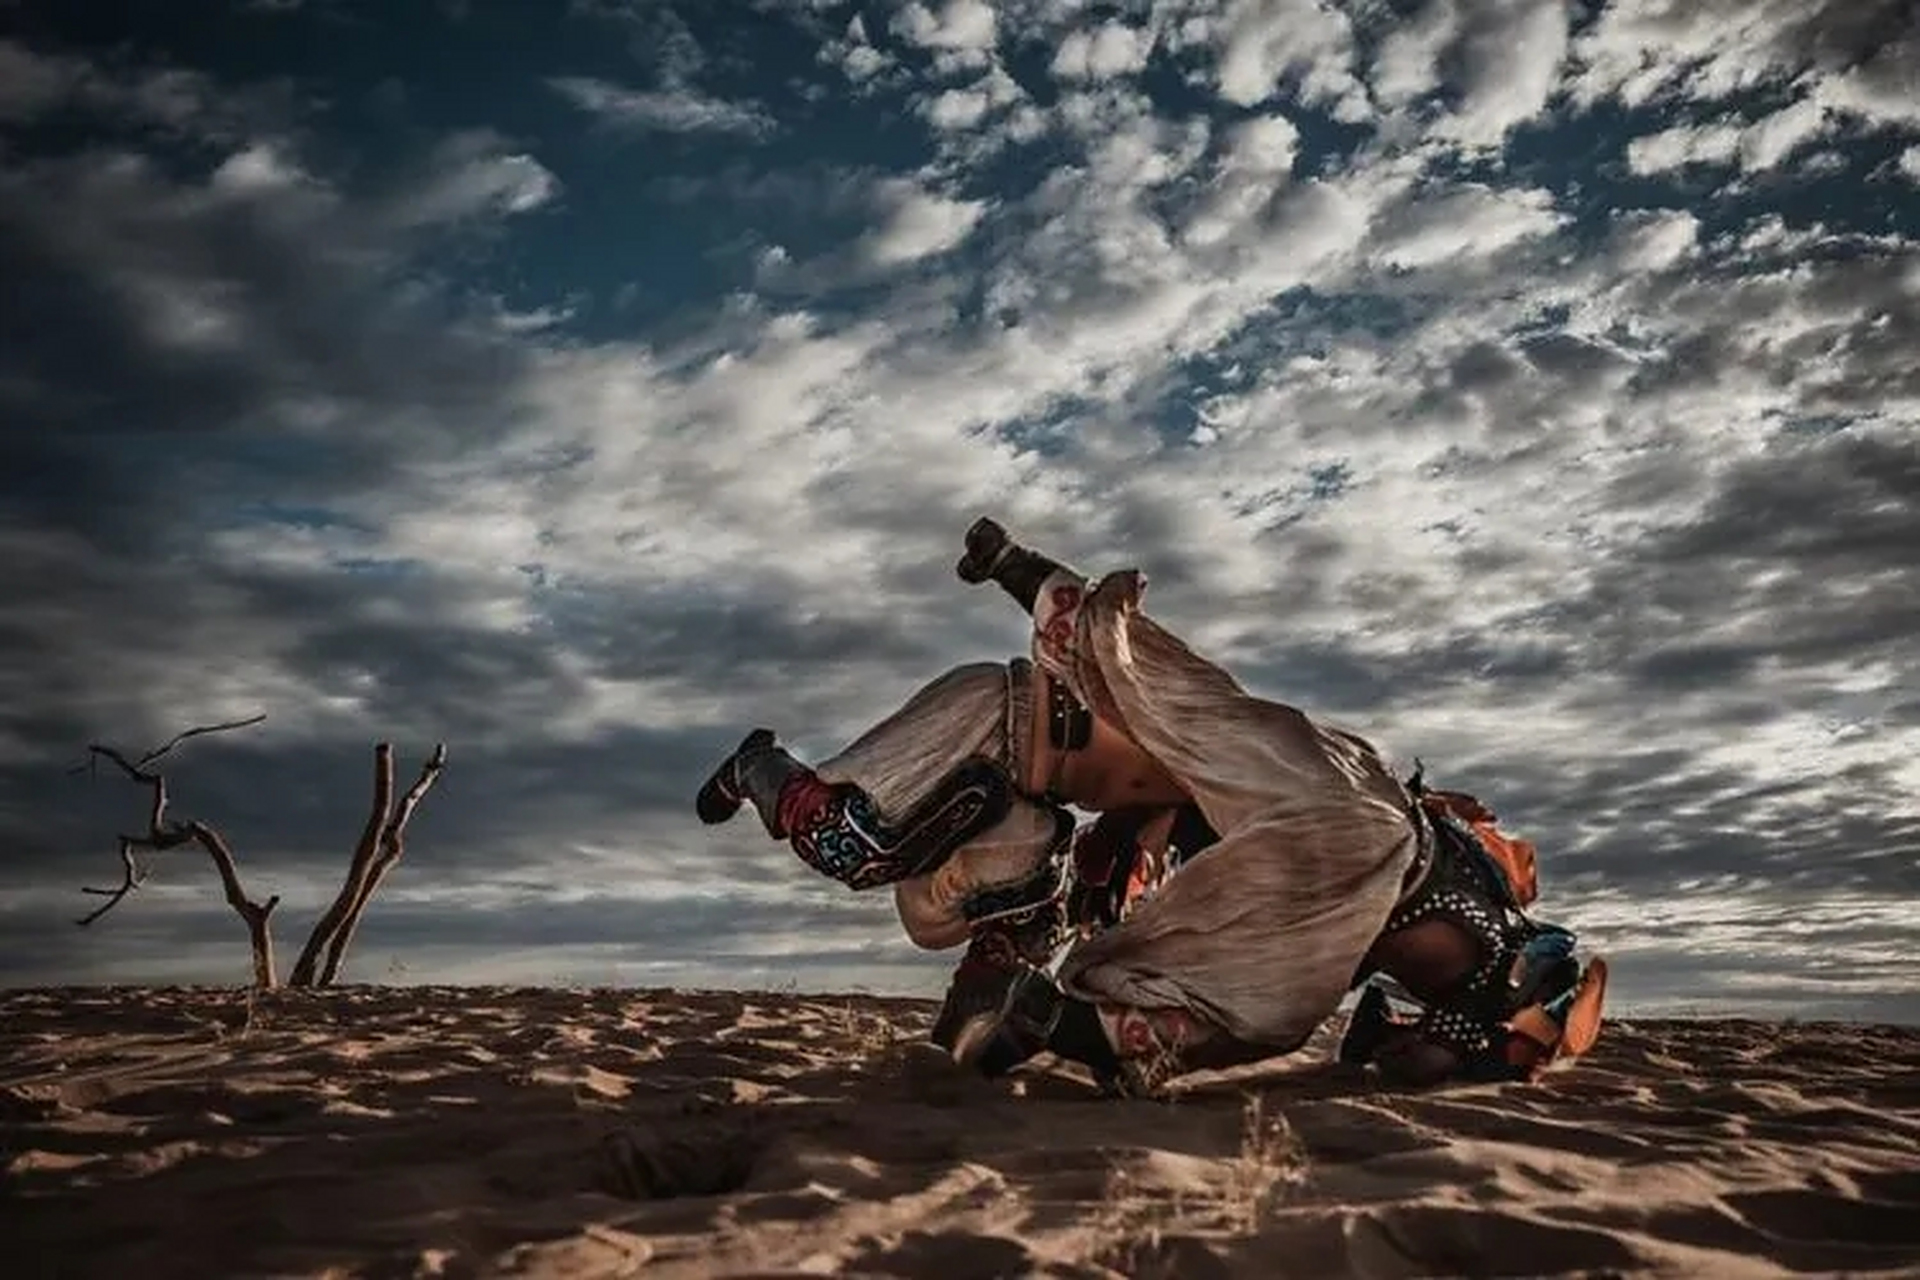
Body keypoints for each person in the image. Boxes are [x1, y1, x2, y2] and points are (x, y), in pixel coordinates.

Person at [697, 518, 1605, 1093]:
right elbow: (1144, 663)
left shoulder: (1324, 839)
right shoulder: (1344, 823)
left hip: (1031, 802)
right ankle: (758, 765)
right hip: (996, 721)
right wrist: (1016, 566)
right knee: (851, 844)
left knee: (989, 929)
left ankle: (979, 1005)